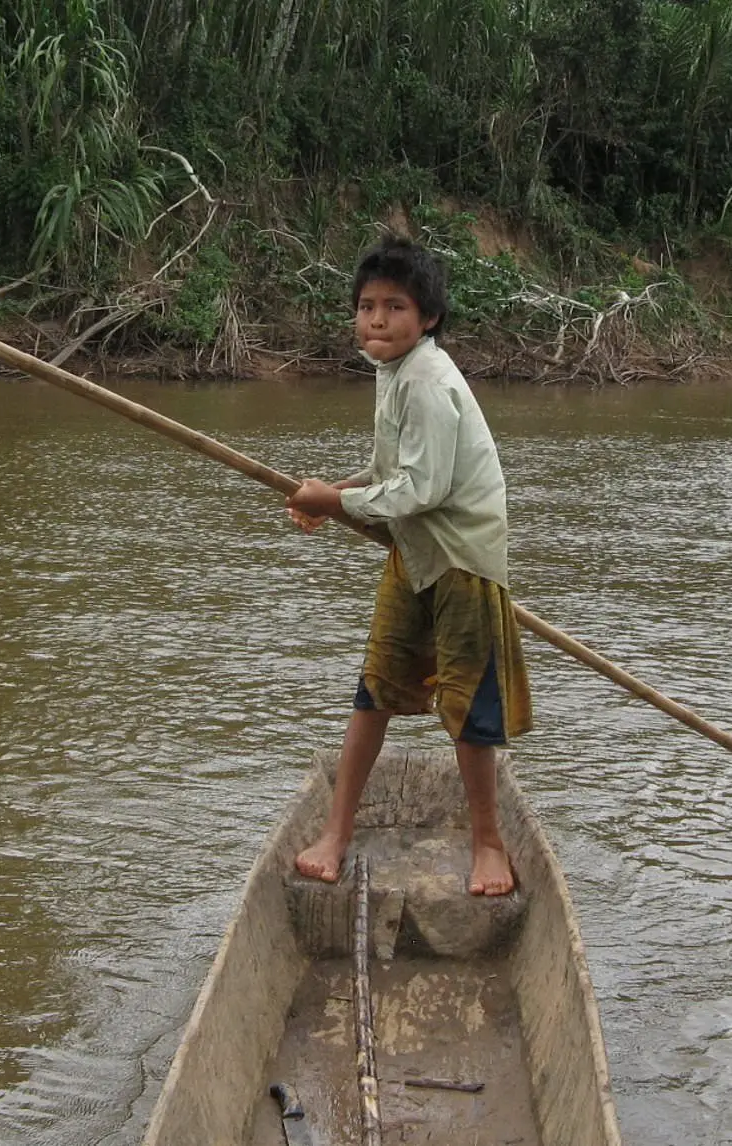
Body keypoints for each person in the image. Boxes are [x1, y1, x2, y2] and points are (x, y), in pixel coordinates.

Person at [285, 235, 532, 897]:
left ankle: (487, 842)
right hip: (414, 552)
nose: (377, 320)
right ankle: (336, 832)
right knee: (376, 690)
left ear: (427, 320)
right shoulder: (392, 373)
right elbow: (392, 474)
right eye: (366, 306)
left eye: (395, 307)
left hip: (461, 560)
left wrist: (335, 501)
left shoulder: (427, 380)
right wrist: (334, 498)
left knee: (468, 707)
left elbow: (421, 489)